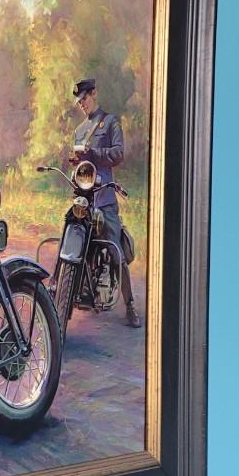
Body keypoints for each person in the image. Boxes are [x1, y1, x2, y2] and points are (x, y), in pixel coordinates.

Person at [70, 78, 141, 328]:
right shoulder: (79, 130)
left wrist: (93, 154)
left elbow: (118, 154)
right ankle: (79, 293)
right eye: (79, 102)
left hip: (105, 198)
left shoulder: (110, 122)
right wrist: (75, 161)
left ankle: (130, 305)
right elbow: (81, 165)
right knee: (77, 244)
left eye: (84, 99)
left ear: (94, 94)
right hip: (85, 199)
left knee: (114, 251)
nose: (82, 104)